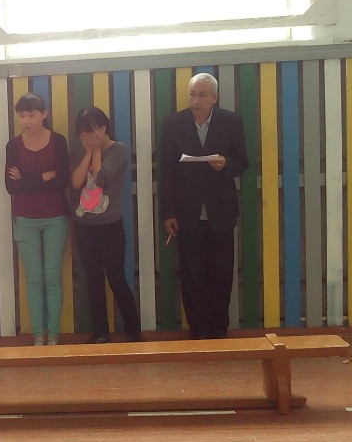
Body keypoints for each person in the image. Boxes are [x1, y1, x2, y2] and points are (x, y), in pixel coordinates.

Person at [158, 72, 248, 340]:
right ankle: (198, 330)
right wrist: (168, 213)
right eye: (192, 94)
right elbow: (165, 171)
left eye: (202, 95)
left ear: (214, 98)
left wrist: (226, 165)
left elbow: (242, 161)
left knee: (222, 273)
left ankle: (219, 329)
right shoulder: (173, 124)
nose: (195, 100)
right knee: (191, 273)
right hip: (187, 212)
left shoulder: (231, 121)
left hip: (221, 211)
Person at [69, 107, 142, 344]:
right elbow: (76, 182)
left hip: (110, 225)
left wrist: (97, 150)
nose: (88, 136)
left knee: (116, 278)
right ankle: (101, 332)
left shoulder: (118, 150)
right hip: (84, 226)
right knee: (93, 279)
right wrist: (89, 153)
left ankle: (134, 331)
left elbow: (101, 179)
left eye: (92, 130)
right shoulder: (81, 151)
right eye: (83, 133)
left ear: (104, 127)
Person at [5, 93, 69, 346]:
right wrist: (45, 177)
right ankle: (37, 337)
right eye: (21, 115)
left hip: (56, 216)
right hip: (25, 218)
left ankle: (53, 335)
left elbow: (63, 179)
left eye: (31, 115)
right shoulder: (13, 145)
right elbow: (11, 187)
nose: (25, 120)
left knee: (52, 276)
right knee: (34, 279)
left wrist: (26, 180)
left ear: (44, 114)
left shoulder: (58, 141)